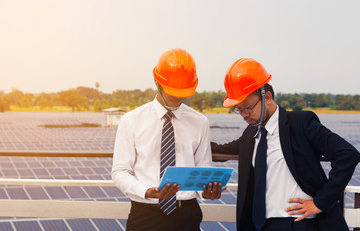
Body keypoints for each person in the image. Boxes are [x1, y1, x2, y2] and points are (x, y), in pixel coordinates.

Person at [211, 58, 360, 231]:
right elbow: (221, 149)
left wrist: (321, 202)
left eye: (247, 107)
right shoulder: (251, 134)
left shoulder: (300, 123)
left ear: (267, 97)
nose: (244, 114)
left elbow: (347, 154)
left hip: (298, 223)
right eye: (238, 109)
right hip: (261, 225)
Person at [112, 48, 222, 231]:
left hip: (186, 215)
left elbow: (204, 167)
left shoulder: (200, 122)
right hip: (145, 214)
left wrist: (208, 188)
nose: (178, 96)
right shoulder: (131, 121)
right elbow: (120, 172)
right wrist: (147, 191)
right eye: (173, 91)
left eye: (183, 92)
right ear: (157, 82)